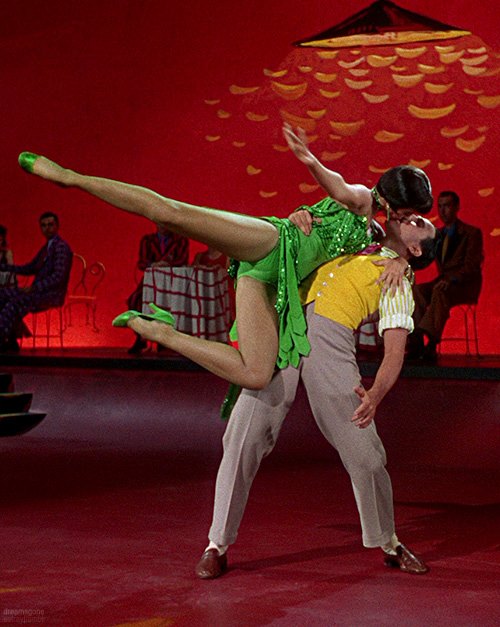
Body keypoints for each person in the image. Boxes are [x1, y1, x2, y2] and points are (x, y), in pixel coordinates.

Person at [18, 127, 432, 387]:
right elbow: (339, 188)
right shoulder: (362, 200)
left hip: (270, 281)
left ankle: (164, 333)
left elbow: (403, 248)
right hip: (272, 243)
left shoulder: (380, 236)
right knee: (169, 214)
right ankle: (69, 177)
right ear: (397, 205)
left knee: (255, 374)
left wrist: (403, 263)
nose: (414, 220)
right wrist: (310, 162)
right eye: (413, 213)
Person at [195, 212, 437, 580]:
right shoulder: (355, 235)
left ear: (416, 249)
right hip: (284, 334)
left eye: (419, 223)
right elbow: (309, 231)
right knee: (243, 436)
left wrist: (375, 395)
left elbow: (394, 353)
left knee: (366, 454)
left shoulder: (398, 283)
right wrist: (302, 217)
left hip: (331, 346)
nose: (410, 216)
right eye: (413, 214)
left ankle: (389, 542)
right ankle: (216, 544)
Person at [409, 191, 483, 361]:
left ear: (456, 207)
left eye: (447, 206)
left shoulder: (471, 233)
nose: (443, 211)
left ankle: (432, 343)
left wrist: (452, 279)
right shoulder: (437, 235)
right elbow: (423, 258)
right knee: (417, 290)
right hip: (442, 283)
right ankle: (417, 340)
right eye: (440, 206)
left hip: (464, 285)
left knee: (439, 291)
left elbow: (472, 266)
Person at [0, 212, 73, 352]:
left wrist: (34, 288)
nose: (47, 228)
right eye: (43, 225)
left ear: (57, 226)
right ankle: (9, 338)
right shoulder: (47, 247)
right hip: (38, 293)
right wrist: (4, 267)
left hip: (51, 295)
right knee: (3, 295)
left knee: (14, 302)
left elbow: (58, 277)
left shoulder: (60, 247)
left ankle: (4, 338)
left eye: (50, 225)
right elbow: (30, 268)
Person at [127, 222, 189, 354]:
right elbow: (142, 262)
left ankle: (167, 340)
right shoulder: (148, 240)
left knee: (175, 304)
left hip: (172, 283)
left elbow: (183, 260)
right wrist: (154, 264)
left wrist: (167, 264)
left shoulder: (181, 241)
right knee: (135, 300)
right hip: (151, 282)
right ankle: (141, 337)